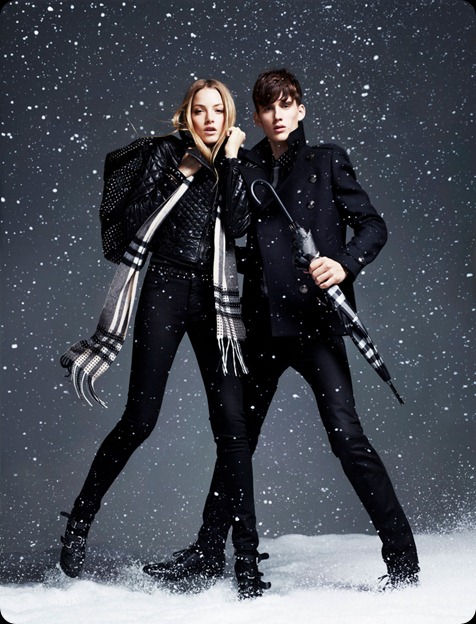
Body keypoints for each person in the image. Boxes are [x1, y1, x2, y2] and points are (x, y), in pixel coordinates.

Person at [143, 69, 420, 590]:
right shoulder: (243, 164)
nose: (278, 115)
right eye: (268, 108)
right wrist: (230, 162)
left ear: (300, 110)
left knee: (348, 439)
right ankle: (208, 552)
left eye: (287, 104)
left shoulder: (326, 160)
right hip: (261, 329)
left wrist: (343, 263)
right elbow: (233, 225)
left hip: (315, 326)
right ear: (256, 116)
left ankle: (404, 562)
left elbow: (373, 225)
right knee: (237, 443)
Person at [59, 78, 270, 599]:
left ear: (229, 116)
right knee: (140, 419)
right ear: (186, 115)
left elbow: (238, 224)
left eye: (218, 110)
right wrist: (183, 172)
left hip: (217, 296)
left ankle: (246, 559)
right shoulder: (167, 153)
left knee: (233, 428)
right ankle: (79, 521)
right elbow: (133, 219)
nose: (209, 119)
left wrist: (232, 162)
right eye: (200, 110)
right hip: (166, 288)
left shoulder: (238, 164)